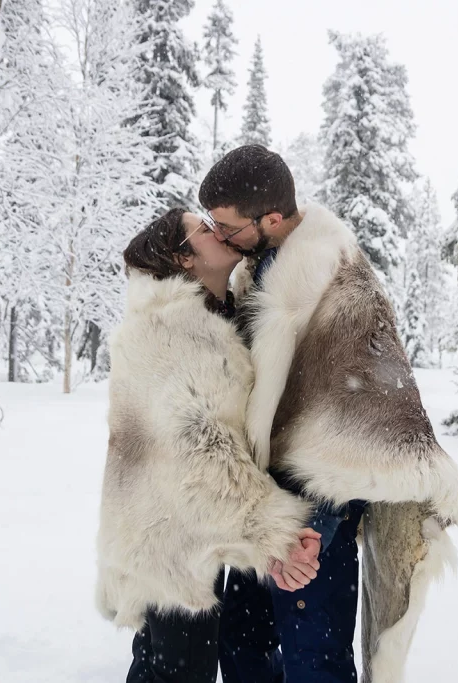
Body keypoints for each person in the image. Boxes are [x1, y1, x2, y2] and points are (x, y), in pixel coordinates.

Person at [200, 146, 458, 683]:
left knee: (315, 664)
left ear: (271, 219)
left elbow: (364, 409)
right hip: (261, 508)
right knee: (242, 648)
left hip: (316, 511)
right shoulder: (256, 273)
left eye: (228, 227)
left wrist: (315, 530)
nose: (220, 237)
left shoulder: (343, 284)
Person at [95, 208, 322, 683]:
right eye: (203, 229)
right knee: (183, 671)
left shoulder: (212, 316)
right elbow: (201, 449)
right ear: (184, 259)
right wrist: (275, 532)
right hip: (167, 532)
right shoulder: (173, 329)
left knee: (164, 663)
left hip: (163, 522)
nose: (216, 230)